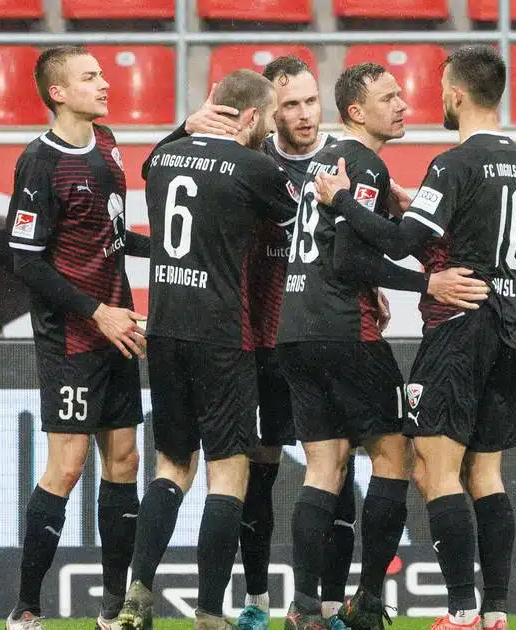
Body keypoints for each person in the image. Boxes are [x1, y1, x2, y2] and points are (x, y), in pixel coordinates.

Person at [313, 46, 516, 630]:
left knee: (435, 470)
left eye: (439, 92)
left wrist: (341, 201)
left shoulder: (453, 164)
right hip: (508, 327)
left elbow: (401, 241)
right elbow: (463, 229)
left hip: (457, 329)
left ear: (457, 95)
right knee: (485, 474)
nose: (426, 102)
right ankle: (495, 612)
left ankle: (459, 610)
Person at [276, 62, 492, 630]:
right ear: (356, 111)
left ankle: (304, 608)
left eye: (401, 94)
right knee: (395, 454)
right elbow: (349, 258)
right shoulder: (363, 163)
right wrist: (428, 283)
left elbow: (337, 246)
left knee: (324, 467)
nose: (402, 104)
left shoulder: (324, 161)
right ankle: (369, 598)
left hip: (295, 328)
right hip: (346, 330)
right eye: (388, 98)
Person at [162, 56, 361, 630]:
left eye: (310, 101)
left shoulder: (342, 162)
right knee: (258, 473)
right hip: (259, 341)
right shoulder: (247, 162)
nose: (303, 114)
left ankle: (327, 602)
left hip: (322, 336)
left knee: (337, 468)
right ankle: (256, 600)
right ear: (268, 111)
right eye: (289, 104)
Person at [117, 69, 298, 630]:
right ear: (251, 117)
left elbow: (150, 164)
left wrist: (182, 128)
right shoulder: (257, 167)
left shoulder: (164, 159)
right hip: (222, 333)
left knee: (172, 466)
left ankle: (137, 593)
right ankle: (210, 611)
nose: (273, 126)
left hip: (164, 328)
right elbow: (296, 220)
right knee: (228, 472)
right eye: (270, 116)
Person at [2, 45, 152, 630]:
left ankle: (113, 611)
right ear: (58, 92)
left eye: (103, 74)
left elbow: (112, 234)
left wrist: (170, 251)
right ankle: (26, 609)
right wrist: (97, 312)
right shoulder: (39, 162)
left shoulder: (108, 144)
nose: (105, 83)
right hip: (72, 337)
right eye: (90, 77)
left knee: (125, 460)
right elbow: (27, 261)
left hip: (118, 329)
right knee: (66, 467)